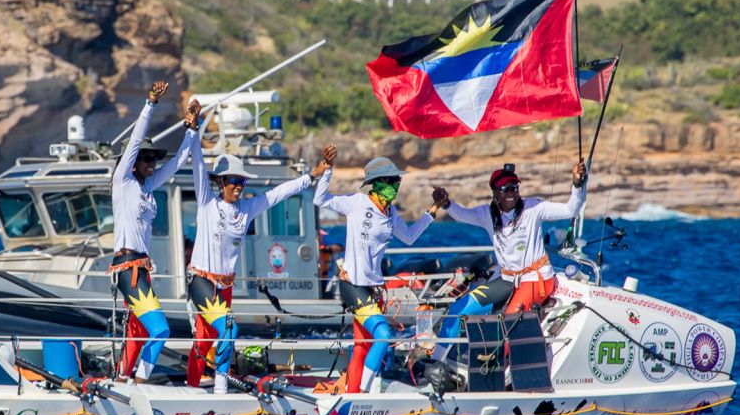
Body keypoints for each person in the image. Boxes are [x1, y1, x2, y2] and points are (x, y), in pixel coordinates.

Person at [187, 118, 333, 393]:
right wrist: (193, 131)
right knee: (228, 329)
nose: (238, 185)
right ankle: (219, 389)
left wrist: (312, 176)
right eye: (233, 180)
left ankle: (193, 387)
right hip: (201, 280)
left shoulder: (247, 208)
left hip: (225, 285)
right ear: (221, 182)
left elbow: (278, 193)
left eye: (241, 180)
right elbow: (196, 164)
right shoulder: (207, 201)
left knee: (206, 340)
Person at [314, 149, 448, 393]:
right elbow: (319, 200)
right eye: (390, 181)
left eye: (397, 181)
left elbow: (408, 237)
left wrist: (433, 209)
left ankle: (351, 393)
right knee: (383, 335)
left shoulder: (391, 213)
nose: (395, 185)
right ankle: (364, 393)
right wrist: (327, 169)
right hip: (351, 284)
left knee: (362, 346)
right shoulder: (357, 203)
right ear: (374, 185)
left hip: (372, 287)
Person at [110, 81, 199, 383]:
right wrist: (150, 103)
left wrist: (191, 131)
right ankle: (143, 381)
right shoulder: (123, 182)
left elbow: (177, 164)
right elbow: (134, 141)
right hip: (127, 267)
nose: (152, 163)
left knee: (137, 329)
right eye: (147, 159)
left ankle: (123, 378)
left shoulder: (147, 187)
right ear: (133, 162)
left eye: (153, 159)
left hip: (142, 268)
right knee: (160, 329)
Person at [433, 159, 587, 316]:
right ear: (495, 192)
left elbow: (570, 210)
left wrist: (577, 184)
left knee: (510, 322)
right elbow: (462, 215)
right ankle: (442, 342)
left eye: (514, 188)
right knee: (457, 310)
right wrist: (446, 204)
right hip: (506, 279)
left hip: (535, 278)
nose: (511, 193)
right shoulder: (487, 214)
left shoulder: (534, 208)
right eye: (505, 189)